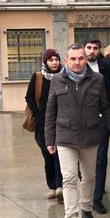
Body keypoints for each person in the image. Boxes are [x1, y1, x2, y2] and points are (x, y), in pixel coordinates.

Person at [45, 44, 110, 218]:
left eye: (80, 58)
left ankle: (86, 208)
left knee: (89, 177)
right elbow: (50, 111)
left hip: (90, 136)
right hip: (65, 136)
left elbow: (105, 107)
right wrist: (50, 139)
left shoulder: (97, 79)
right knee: (69, 178)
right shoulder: (57, 80)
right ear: (66, 61)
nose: (77, 62)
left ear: (85, 59)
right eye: (73, 59)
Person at [25, 49, 63, 201]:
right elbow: (29, 97)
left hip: (60, 122)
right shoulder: (38, 77)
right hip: (42, 124)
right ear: (45, 62)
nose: (54, 62)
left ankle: (61, 186)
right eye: (50, 60)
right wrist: (38, 113)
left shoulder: (63, 77)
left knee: (60, 155)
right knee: (48, 155)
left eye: (56, 59)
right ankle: (52, 187)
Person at [83, 39, 110, 215]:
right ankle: (84, 195)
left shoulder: (107, 66)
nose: (92, 51)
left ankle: (97, 198)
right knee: (83, 159)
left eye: (95, 48)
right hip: (81, 121)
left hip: (101, 120)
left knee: (100, 159)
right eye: (89, 47)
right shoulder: (76, 65)